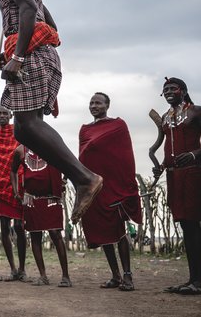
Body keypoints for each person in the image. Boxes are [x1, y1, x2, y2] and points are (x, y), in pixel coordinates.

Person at [0, 0, 102, 223]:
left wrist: (18, 56)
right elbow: (46, 18)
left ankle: (84, 178)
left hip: (32, 57)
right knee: (22, 130)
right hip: (43, 53)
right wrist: (26, 46)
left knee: (27, 124)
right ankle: (81, 178)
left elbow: (28, 7)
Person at [79, 92, 141, 291]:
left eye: (98, 102)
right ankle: (115, 276)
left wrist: (127, 185)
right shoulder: (85, 130)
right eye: (91, 103)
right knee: (103, 232)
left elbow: (125, 156)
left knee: (119, 231)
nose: (94, 105)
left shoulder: (118, 126)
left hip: (116, 187)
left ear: (107, 105)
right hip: (96, 187)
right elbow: (83, 158)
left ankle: (128, 276)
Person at [153, 78, 201, 295]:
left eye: (173, 88)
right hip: (174, 177)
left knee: (193, 225)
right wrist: (161, 166)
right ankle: (193, 280)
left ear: (183, 91)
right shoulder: (166, 117)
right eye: (166, 90)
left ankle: (197, 282)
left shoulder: (196, 112)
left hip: (194, 174)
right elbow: (166, 149)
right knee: (186, 227)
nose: (169, 91)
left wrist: (193, 154)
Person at [10, 145, 71, 287]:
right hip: (31, 198)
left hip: (51, 197)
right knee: (35, 235)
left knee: (55, 234)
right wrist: (15, 191)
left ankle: (66, 276)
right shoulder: (20, 151)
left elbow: (68, 162)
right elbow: (13, 171)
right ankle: (43, 276)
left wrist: (64, 180)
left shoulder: (51, 145)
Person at [0, 105, 28, 281]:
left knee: (19, 226)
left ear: (10, 115)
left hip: (17, 183)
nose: (2, 116)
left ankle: (23, 269)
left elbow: (23, 154)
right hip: (0, 184)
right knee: (4, 227)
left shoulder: (18, 133)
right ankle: (12, 269)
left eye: (5, 113)